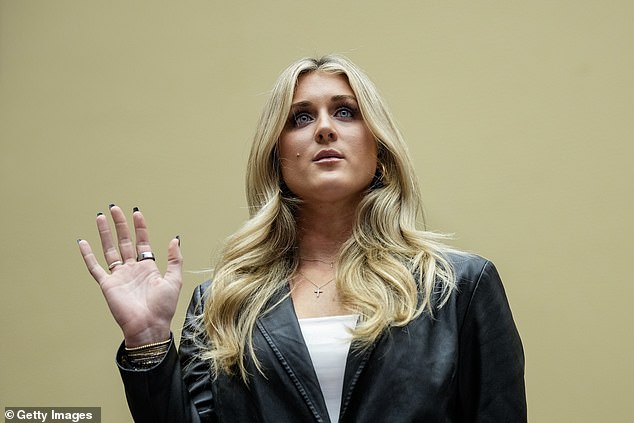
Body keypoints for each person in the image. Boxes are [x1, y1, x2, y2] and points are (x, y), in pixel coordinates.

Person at [78, 55, 526, 422]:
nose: (324, 129)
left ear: (380, 150)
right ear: (277, 159)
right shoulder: (223, 303)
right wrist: (149, 341)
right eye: (301, 117)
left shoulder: (459, 287)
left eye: (346, 112)